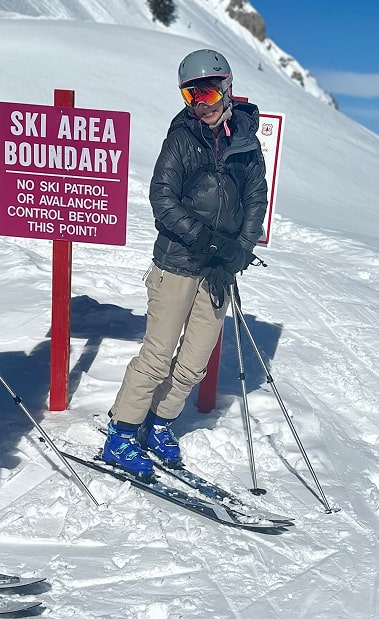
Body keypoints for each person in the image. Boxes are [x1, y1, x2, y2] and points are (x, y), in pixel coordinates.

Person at [101, 48, 268, 474]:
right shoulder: (181, 138)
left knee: (194, 360)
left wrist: (239, 250)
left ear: (227, 91)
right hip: (177, 262)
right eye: (191, 97)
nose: (201, 106)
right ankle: (122, 432)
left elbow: (254, 199)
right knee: (158, 355)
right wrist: (212, 243)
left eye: (209, 96)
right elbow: (162, 200)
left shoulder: (245, 143)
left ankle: (159, 423)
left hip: (217, 271)